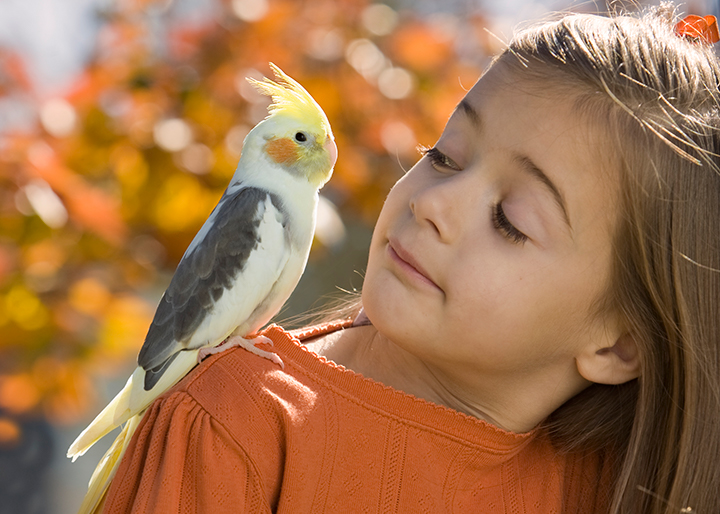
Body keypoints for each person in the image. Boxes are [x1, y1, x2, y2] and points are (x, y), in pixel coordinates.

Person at [101, 5, 720, 513]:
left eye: (510, 220)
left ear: (618, 347)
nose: (434, 204)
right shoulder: (231, 428)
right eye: (445, 156)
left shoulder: (618, 491)